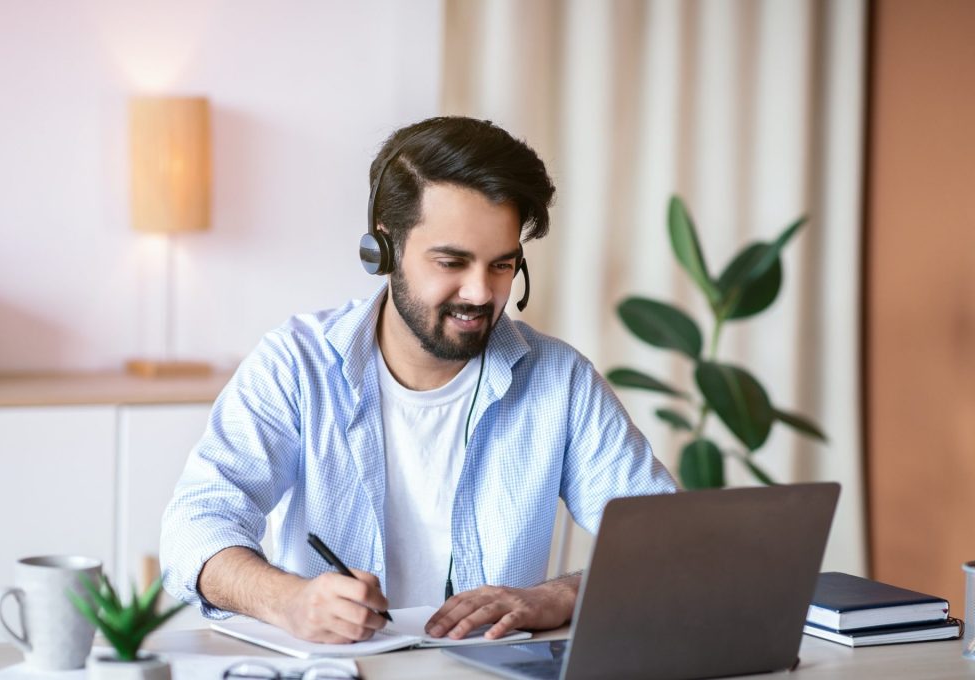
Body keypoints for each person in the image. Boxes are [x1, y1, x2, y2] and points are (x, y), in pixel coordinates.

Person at [160, 116, 676, 645]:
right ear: (383, 250)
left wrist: (557, 595)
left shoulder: (560, 381)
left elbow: (669, 545)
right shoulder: (295, 365)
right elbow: (194, 529)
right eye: (452, 262)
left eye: (501, 265)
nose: (480, 292)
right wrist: (288, 600)